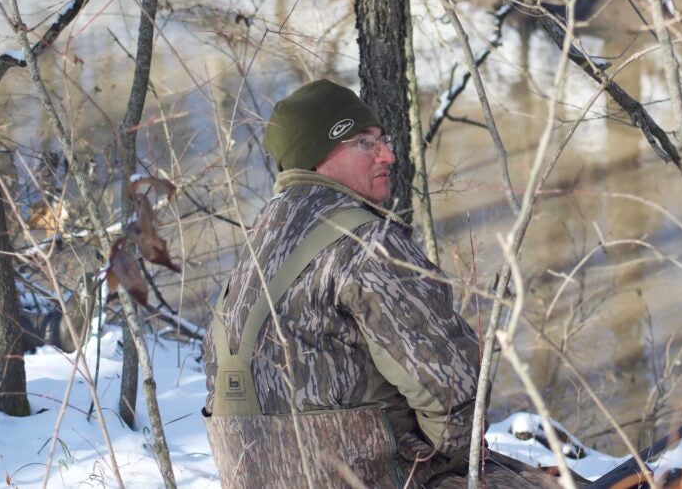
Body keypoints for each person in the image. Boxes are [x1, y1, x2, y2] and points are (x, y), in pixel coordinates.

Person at [202, 80, 568, 488]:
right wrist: (451, 458)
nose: (388, 155)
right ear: (319, 156)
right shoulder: (367, 242)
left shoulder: (260, 240)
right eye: (364, 143)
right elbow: (452, 388)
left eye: (383, 140)